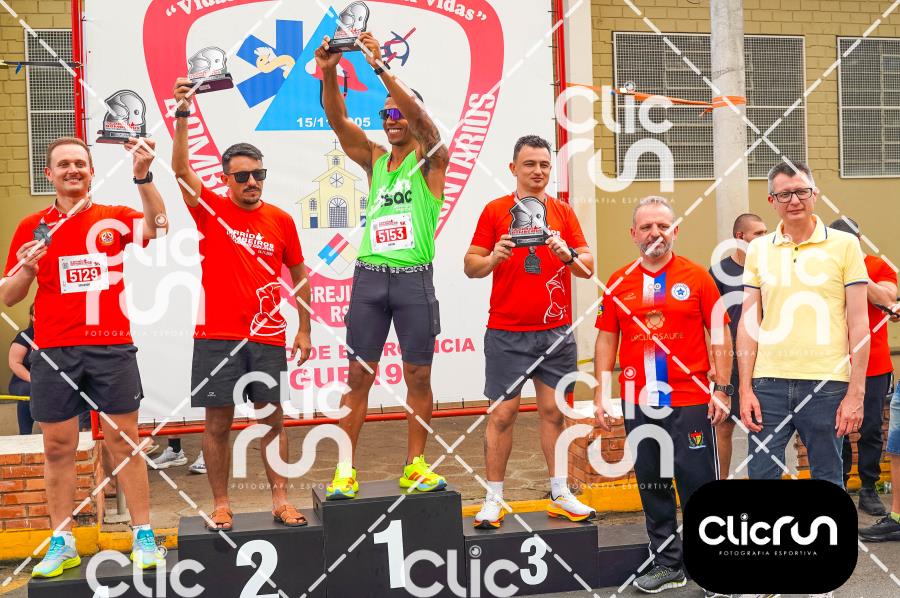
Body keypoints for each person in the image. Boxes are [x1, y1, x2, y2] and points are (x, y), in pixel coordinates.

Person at [1, 136, 167, 576]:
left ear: (92, 171)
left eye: (80, 163)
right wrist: (28, 268)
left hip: (110, 345)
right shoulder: (32, 227)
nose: (72, 170)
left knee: (124, 442)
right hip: (54, 350)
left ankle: (143, 535)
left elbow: (158, 226)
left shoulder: (112, 217)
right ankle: (63, 541)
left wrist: (143, 177)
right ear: (49, 174)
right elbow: (10, 295)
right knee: (58, 446)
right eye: (63, 164)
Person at [172, 78, 312, 530]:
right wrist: (182, 112)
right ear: (225, 179)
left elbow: (300, 275)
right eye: (242, 176)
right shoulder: (209, 209)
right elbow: (180, 170)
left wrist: (305, 328)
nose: (252, 182)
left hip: (266, 337)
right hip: (216, 335)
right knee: (217, 425)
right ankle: (221, 504)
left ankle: (280, 501)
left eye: (258, 174)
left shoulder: (281, 220)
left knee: (272, 422)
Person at [315, 32, 450, 499]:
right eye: (385, 115)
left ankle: (415, 465)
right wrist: (329, 70)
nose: (392, 121)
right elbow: (337, 120)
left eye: (399, 114)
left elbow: (424, 123)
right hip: (370, 280)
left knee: (419, 375)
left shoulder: (432, 160)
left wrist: (379, 66)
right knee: (358, 376)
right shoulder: (375, 160)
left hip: (414, 281)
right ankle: (344, 470)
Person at [594, 196, 732, 596]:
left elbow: (719, 333)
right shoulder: (618, 281)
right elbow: (606, 338)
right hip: (638, 401)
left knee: (697, 484)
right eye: (647, 226)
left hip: (690, 399)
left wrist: (722, 388)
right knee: (653, 485)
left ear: (675, 230)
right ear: (633, 234)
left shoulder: (697, 277)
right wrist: (602, 392)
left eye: (663, 226)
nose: (655, 233)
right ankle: (669, 564)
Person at [463, 135, 596, 528]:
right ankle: (494, 498)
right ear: (513, 168)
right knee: (503, 415)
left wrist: (568, 256)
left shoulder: (562, 211)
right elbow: (470, 265)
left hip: (555, 332)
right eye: (529, 164)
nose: (538, 171)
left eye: (544, 164)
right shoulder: (495, 210)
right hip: (507, 332)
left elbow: (587, 266)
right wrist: (493, 257)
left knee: (554, 413)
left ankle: (560, 493)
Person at [738, 161, 869, 490]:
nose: (794, 200)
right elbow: (749, 322)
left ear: (815, 194)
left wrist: (856, 393)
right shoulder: (758, 249)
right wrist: (745, 389)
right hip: (767, 384)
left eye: (801, 191)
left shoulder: (845, 245)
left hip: (827, 384)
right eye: (784, 194)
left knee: (827, 479)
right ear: (772, 201)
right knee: (762, 476)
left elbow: (858, 322)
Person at [830, 217, 895, 516]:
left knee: (870, 428)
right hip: (832, 362)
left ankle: (868, 487)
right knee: (836, 428)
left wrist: (855, 270)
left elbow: (888, 298)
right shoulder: (825, 266)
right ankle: (840, 483)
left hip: (874, 362)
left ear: (857, 240)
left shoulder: (878, 266)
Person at [708, 214, 767, 478]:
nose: (764, 237)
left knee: (763, 426)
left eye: (766, 232)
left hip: (764, 359)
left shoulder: (770, 269)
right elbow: (709, 321)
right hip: (729, 361)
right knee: (723, 426)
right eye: (758, 233)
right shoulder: (719, 272)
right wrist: (713, 362)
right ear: (740, 237)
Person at [8, 303, 35, 434]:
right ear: (32, 317)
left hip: (51, 381)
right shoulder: (25, 336)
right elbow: (14, 362)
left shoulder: (58, 335)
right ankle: (25, 434)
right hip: (24, 381)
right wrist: (33, 379)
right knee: (28, 389)